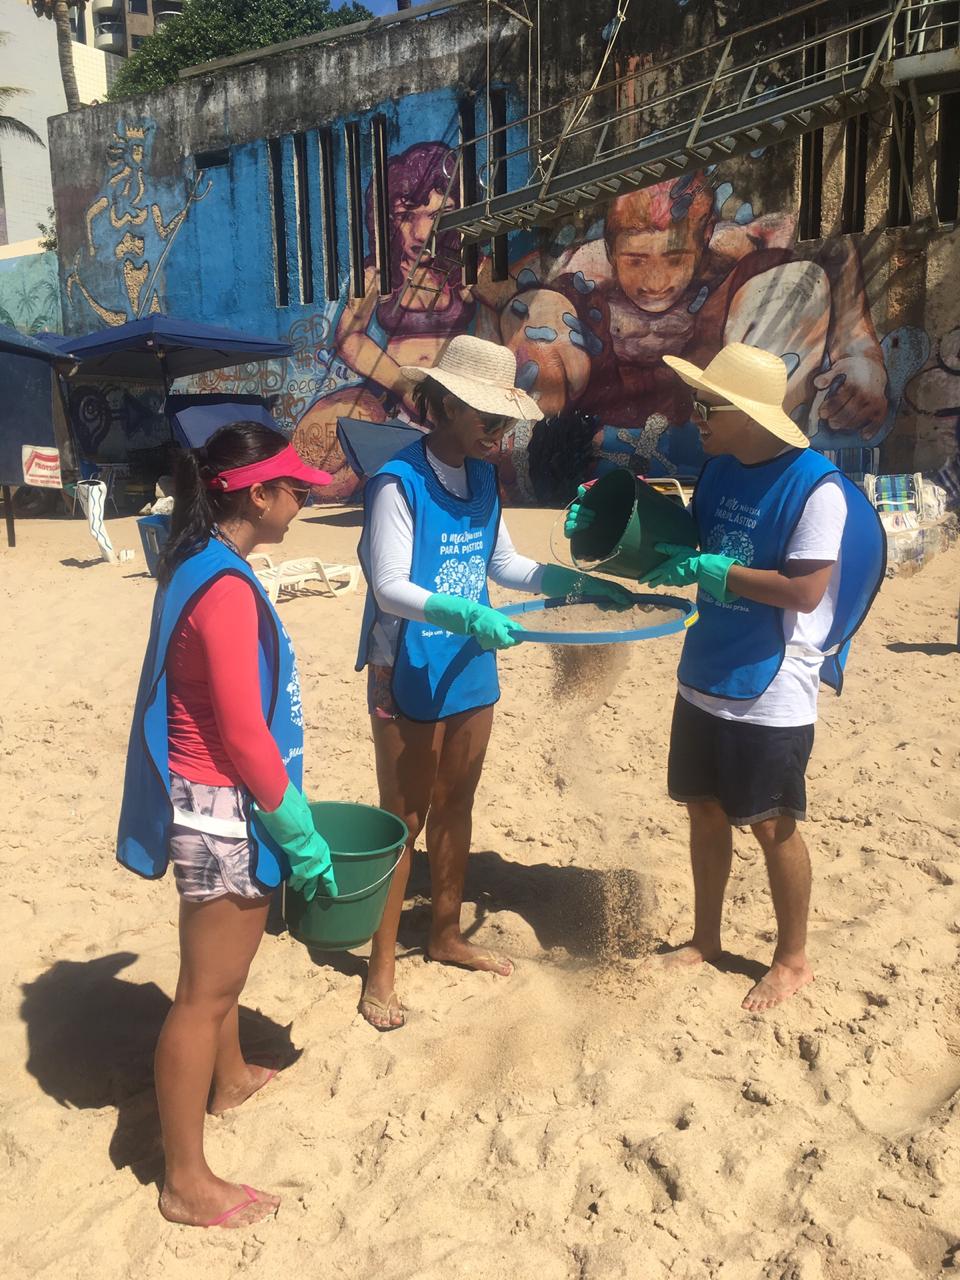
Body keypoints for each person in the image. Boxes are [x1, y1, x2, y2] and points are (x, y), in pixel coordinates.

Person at [569, 342, 884, 1011]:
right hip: (705, 665)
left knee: (774, 825)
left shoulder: (815, 487)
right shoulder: (717, 467)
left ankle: (793, 958)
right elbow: (681, 543)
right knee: (703, 811)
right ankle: (706, 938)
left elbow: (803, 591)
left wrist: (719, 573)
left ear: (750, 413)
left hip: (770, 683)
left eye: (708, 406)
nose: (696, 416)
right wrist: (614, 520)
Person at [354, 334, 633, 1029]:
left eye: (504, 417)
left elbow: (502, 562)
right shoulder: (398, 481)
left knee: (457, 805)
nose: (500, 430)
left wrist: (564, 582)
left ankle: (445, 933)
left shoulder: (483, 478)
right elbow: (388, 586)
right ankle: (380, 969)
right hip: (409, 661)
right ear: (443, 404)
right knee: (405, 820)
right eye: (486, 415)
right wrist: (457, 608)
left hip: (471, 656)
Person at [116, 423, 338, 1228]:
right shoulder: (226, 589)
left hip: (206, 800)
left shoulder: (203, 563)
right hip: (220, 810)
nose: (305, 498)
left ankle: (232, 1077)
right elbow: (244, 733)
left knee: (223, 976)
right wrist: (301, 833)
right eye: (296, 488)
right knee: (203, 995)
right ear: (256, 495)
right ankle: (186, 1180)